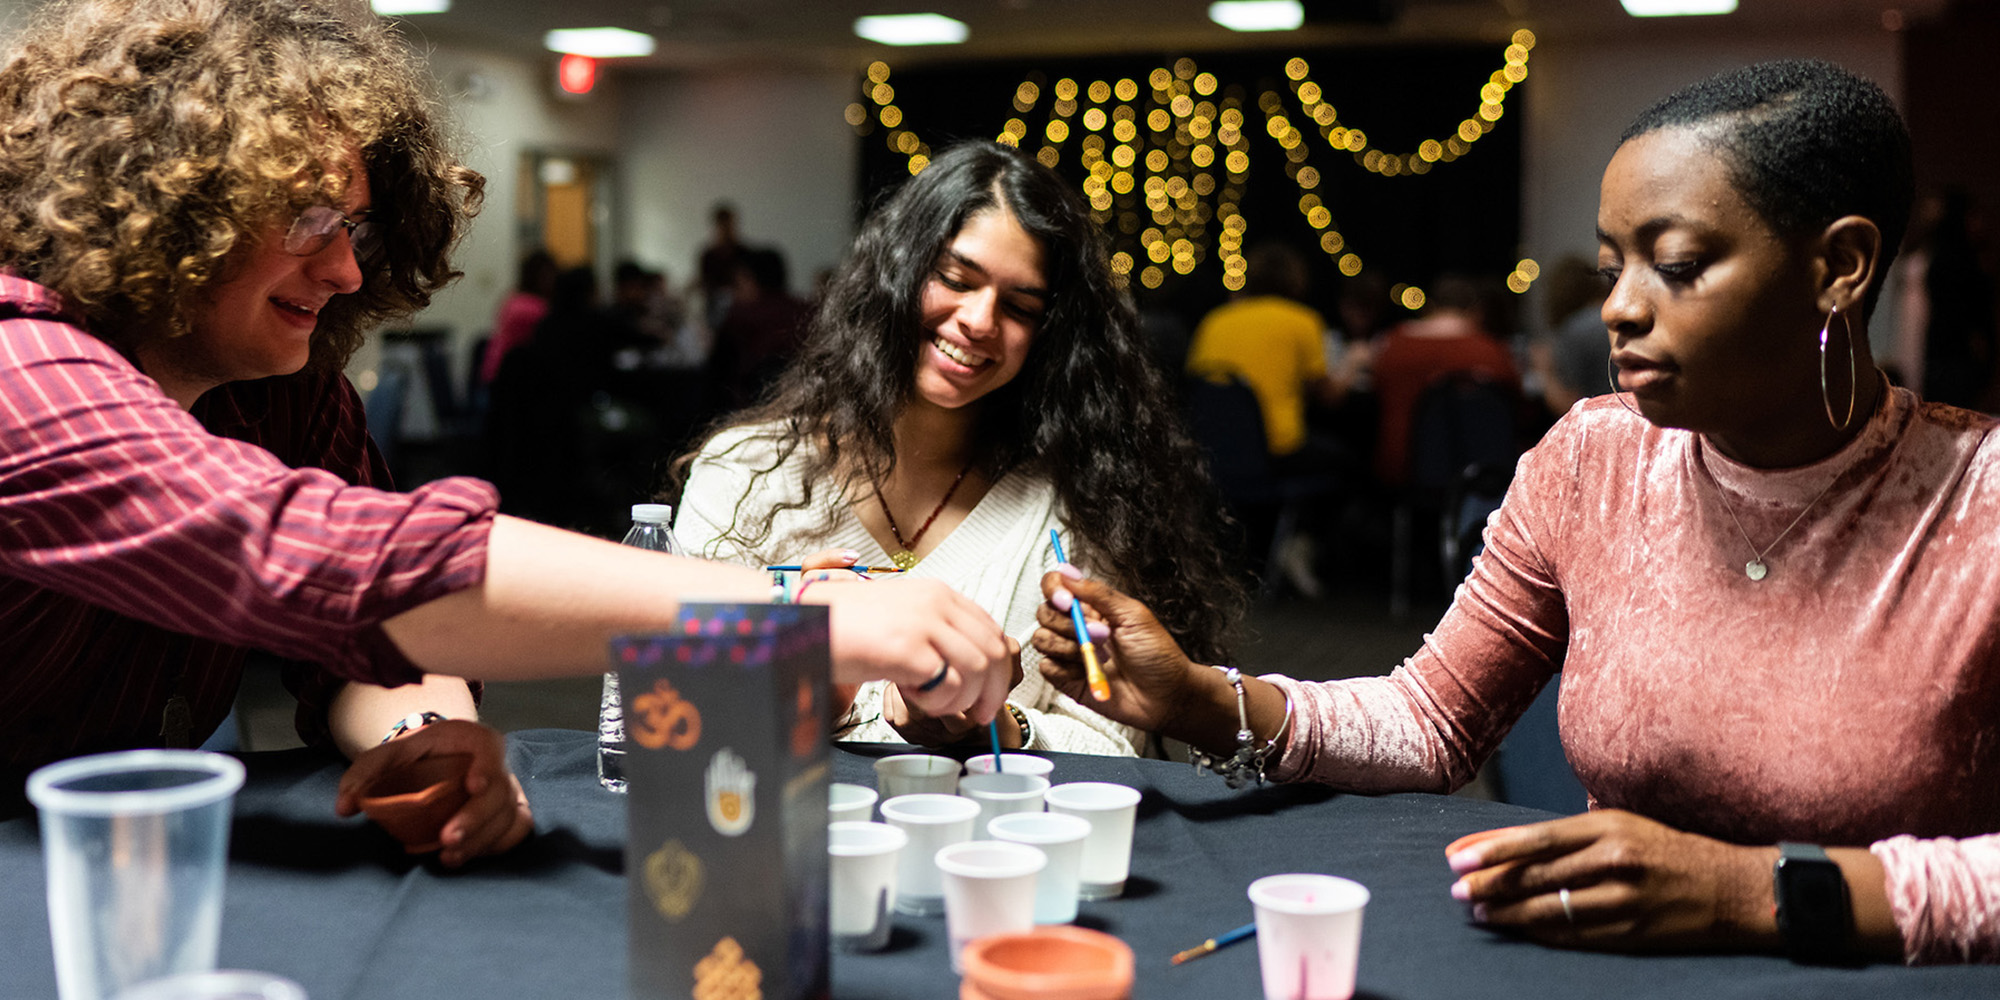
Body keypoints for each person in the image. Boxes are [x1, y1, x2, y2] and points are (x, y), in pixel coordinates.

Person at [1034, 60, 2000, 964]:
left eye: (1676, 263)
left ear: (1841, 265)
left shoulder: (1980, 497)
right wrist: (1199, 697)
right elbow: (1430, 720)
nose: (1620, 307)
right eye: (1613, 264)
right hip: (1615, 974)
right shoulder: (1593, 457)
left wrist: (1755, 892)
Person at [0, 0, 1010, 846]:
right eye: (310, 220)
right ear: (177, 207)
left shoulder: (279, 394)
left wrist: (420, 728)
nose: (348, 268)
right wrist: (785, 615)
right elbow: (342, 561)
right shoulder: (19, 376)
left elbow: (364, 641)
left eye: (354, 229)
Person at [676, 140, 1245, 755]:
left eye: (1020, 307)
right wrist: (818, 686)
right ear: (897, 272)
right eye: (954, 279)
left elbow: (1113, 743)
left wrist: (999, 727)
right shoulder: (747, 475)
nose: (978, 319)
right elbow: (665, 711)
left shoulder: (1076, 510)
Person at [1368, 273, 1521, 488]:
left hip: (1403, 468)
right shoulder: (1491, 352)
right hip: (1483, 472)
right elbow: (1519, 406)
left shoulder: (1393, 345)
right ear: (1476, 311)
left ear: (1429, 308)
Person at [477, 248, 557, 387]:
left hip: (496, 373)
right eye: (547, 275)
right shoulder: (534, 308)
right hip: (507, 379)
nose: (551, 280)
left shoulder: (513, 299)